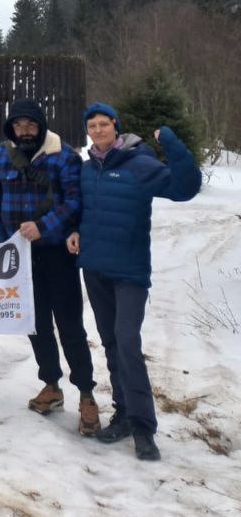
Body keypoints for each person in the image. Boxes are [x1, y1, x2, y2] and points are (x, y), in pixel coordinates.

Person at [67, 103, 201, 460]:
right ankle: (124, 413)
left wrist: (170, 142)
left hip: (129, 271)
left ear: (116, 126)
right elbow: (81, 209)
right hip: (95, 268)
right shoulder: (86, 169)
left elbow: (185, 187)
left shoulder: (138, 164)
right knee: (111, 342)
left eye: (103, 124)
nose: (97, 130)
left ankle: (143, 427)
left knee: (127, 341)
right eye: (91, 125)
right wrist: (74, 230)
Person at [0, 98, 100, 435]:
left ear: (41, 126)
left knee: (69, 325)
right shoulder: (1, 154)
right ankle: (51, 385)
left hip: (57, 254)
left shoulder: (64, 156)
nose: (24, 131)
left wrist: (43, 226)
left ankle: (86, 394)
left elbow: (74, 201)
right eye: (18, 125)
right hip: (20, 257)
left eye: (31, 125)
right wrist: (4, 243)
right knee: (35, 324)